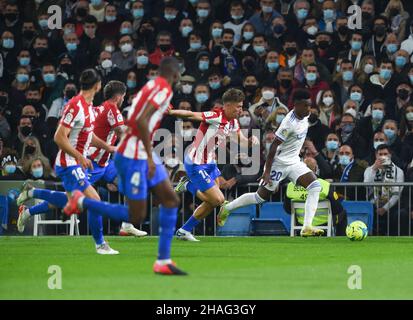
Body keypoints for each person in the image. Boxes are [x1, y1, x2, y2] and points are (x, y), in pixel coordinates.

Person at [62, 57, 186, 275]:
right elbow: (140, 121)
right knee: (136, 215)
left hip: (137, 151)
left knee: (170, 199)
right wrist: (149, 157)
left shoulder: (152, 85)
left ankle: (163, 261)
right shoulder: (163, 89)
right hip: (133, 153)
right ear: (174, 74)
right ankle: (82, 201)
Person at [16, 69, 117, 255]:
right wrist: (79, 156)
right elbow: (59, 137)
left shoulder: (88, 107)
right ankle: (101, 245)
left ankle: (31, 198)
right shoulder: (75, 105)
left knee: (71, 201)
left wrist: (107, 147)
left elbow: (89, 136)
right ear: (97, 85)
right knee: (95, 199)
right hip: (68, 162)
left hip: (77, 162)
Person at [219, 89, 325, 237]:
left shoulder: (305, 116)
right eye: (306, 106)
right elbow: (274, 146)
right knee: (259, 197)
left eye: (310, 105)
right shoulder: (289, 122)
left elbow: (313, 115)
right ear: (297, 105)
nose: (309, 108)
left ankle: (307, 226)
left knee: (315, 186)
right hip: (278, 163)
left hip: (294, 162)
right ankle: (227, 208)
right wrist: (267, 172)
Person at [172, 88, 259, 241]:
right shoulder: (216, 115)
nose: (240, 110)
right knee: (218, 200)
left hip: (210, 162)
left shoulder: (233, 122)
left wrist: (251, 142)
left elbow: (241, 140)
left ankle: (184, 231)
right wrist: (170, 112)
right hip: (196, 162)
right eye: (238, 106)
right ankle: (188, 185)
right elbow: (192, 114)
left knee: (212, 201)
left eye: (241, 106)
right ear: (228, 105)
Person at [283, 157, 348, 236]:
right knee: (343, 212)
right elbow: (337, 209)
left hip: (301, 223)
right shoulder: (324, 185)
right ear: (316, 169)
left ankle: (300, 231)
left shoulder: (290, 186)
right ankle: (340, 238)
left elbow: (287, 209)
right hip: (324, 224)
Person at [364, 144, 405, 235]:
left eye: (385, 154)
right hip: (373, 205)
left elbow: (397, 194)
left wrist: (385, 208)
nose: (383, 156)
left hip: (392, 206)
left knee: (396, 214)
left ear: (390, 155)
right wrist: (374, 169)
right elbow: (366, 184)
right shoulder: (369, 170)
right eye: (380, 154)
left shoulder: (398, 171)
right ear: (376, 155)